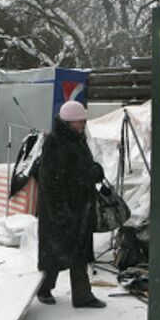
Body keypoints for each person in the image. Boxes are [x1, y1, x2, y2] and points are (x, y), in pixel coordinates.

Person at [36, 100, 106, 308]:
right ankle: (44, 288)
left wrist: (95, 171)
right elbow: (49, 182)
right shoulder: (54, 142)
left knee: (79, 253)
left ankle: (83, 295)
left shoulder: (78, 138)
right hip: (61, 208)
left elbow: (82, 167)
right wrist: (61, 213)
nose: (83, 123)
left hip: (80, 206)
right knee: (55, 252)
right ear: (69, 122)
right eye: (80, 120)